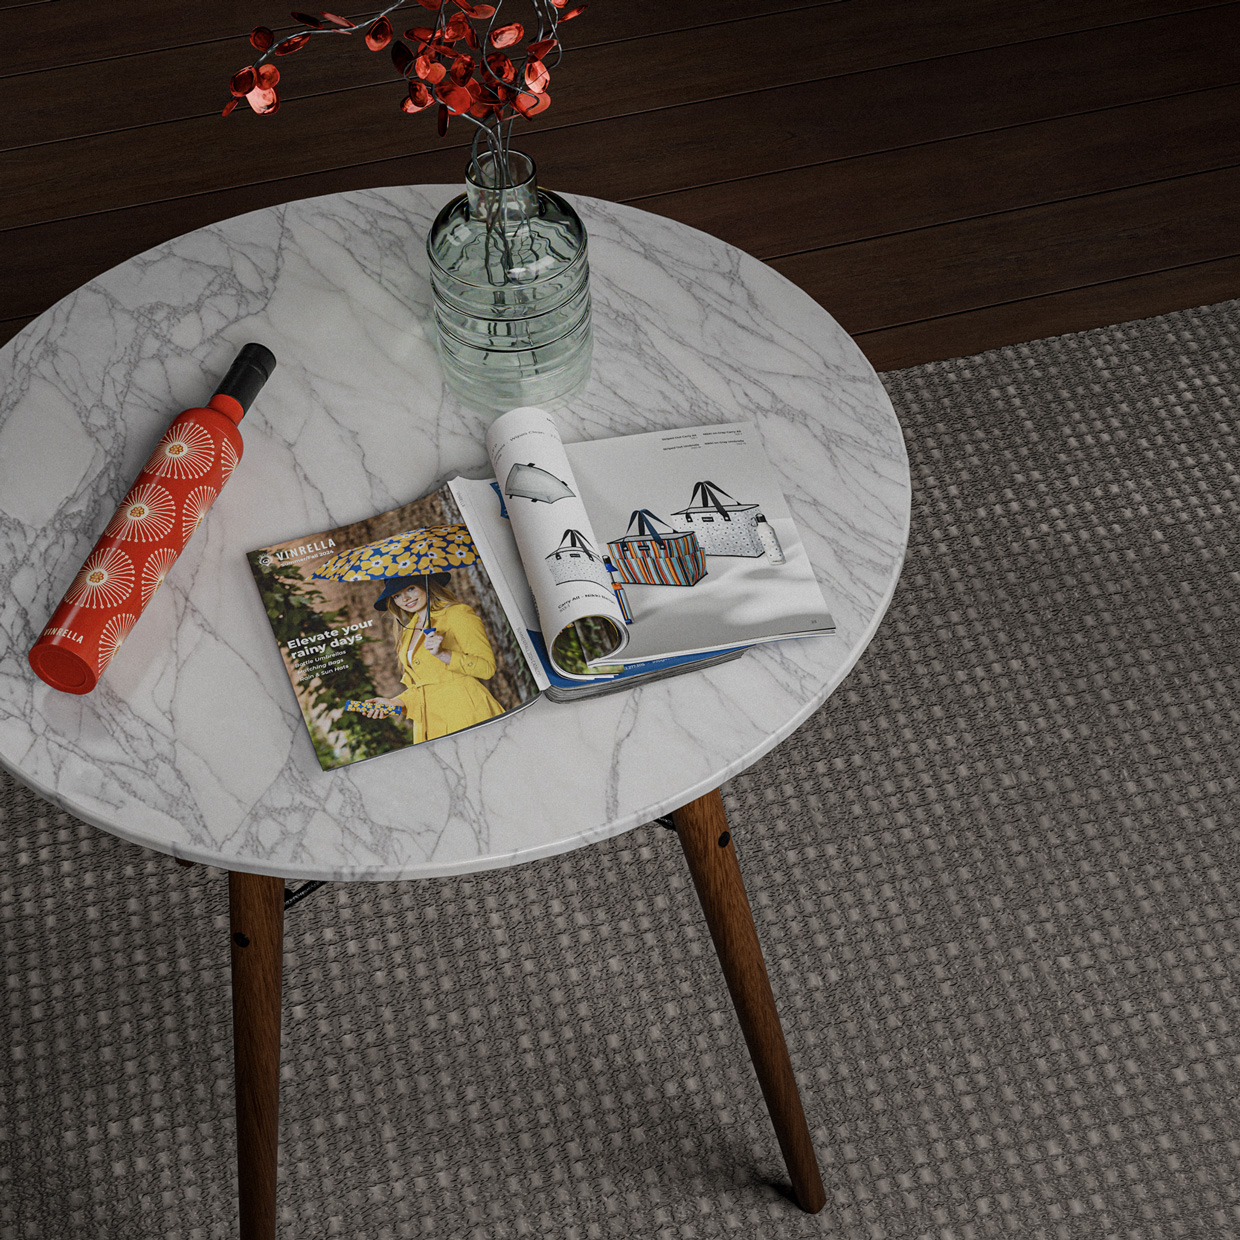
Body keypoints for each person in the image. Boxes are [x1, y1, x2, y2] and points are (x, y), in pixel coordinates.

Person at [356, 573, 506, 743]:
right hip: (431, 726)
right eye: (397, 595)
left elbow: (486, 668)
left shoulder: (457, 614)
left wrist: (443, 654)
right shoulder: (407, 632)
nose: (405, 599)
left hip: (466, 714)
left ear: (425, 584)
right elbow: (423, 687)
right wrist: (394, 703)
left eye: (410, 588)